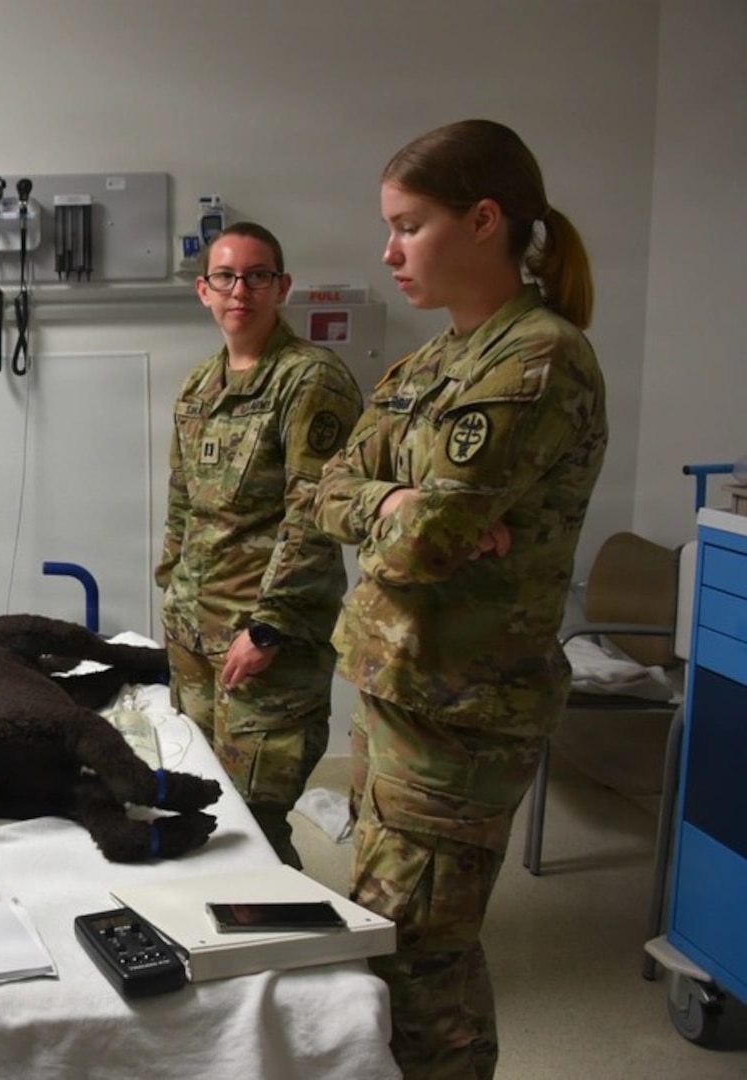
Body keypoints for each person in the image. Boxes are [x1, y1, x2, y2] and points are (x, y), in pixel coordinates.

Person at [313, 119, 607, 1080]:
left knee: (421, 960)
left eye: (407, 226)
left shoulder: (536, 361)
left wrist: (410, 513)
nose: (387, 251)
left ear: (483, 221)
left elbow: (430, 543)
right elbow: (327, 490)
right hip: (400, 693)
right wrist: (398, 498)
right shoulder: (435, 362)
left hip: (461, 713)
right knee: (392, 941)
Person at [155, 222, 362, 868]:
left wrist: (268, 628)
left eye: (257, 275)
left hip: (263, 645)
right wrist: (172, 598)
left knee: (255, 823)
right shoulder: (197, 389)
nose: (240, 289)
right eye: (226, 276)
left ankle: (276, 951)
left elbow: (313, 516)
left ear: (281, 286)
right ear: (203, 290)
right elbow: (182, 501)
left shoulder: (308, 382)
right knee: (200, 806)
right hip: (194, 638)